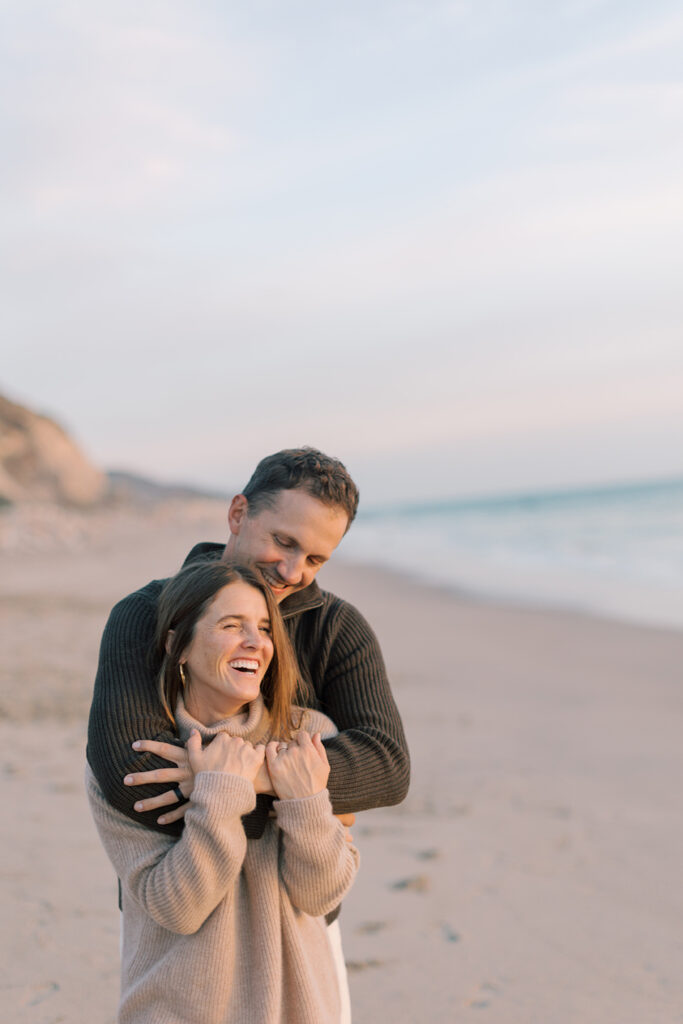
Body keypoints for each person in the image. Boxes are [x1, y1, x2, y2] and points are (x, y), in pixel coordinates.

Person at [87, 447, 410, 1014]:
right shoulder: (148, 613)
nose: (293, 573)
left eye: (315, 558)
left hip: (298, 915)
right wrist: (317, 795)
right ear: (239, 514)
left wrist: (257, 778)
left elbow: (386, 766)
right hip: (176, 918)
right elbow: (135, 779)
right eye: (284, 543)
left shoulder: (336, 629)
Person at [87, 560, 359, 1024]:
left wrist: (305, 802)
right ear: (178, 646)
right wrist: (221, 791)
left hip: (298, 1010)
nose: (255, 642)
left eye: (263, 628)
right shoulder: (136, 760)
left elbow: (322, 894)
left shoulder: (308, 736)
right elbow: (180, 908)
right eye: (232, 625)